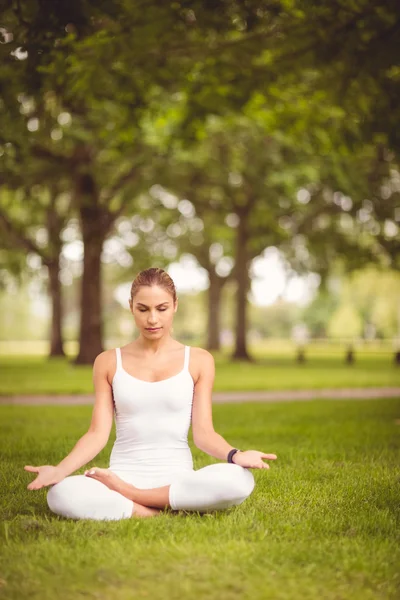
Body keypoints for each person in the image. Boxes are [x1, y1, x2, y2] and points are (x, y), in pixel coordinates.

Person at [25, 267, 277, 519]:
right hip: (122, 472)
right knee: (60, 494)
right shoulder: (108, 361)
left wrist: (236, 455)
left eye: (162, 308)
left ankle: (132, 498)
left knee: (239, 480)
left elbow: (204, 434)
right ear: (131, 306)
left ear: (175, 305)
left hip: (176, 478)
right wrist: (59, 471)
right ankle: (157, 511)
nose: (152, 319)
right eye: (143, 309)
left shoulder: (199, 360)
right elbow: (97, 433)